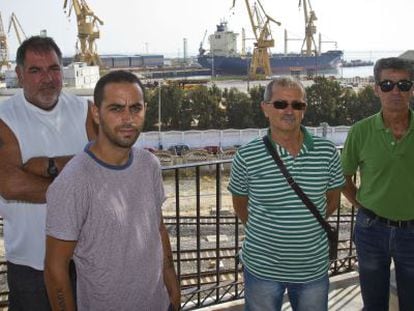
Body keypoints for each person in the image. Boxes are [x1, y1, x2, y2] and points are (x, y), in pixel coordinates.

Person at [44, 70, 181, 310]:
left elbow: (157, 228)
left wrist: (171, 282)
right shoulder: (74, 181)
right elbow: (55, 269)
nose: (127, 118)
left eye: (135, 108)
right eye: (116, 109)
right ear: (96, 113)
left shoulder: (149, 165)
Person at [228, 77, 345, 311]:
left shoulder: (327, 152)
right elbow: (241, 205)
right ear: (265, 108)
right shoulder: (247, 156)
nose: (289, 111)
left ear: (304, 110)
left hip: (312, 267)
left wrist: (303, 223)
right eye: (281, 104)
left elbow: (332, 199)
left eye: (297, 105)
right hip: (262, 267)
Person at [0, 36, 95, 310]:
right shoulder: (5, 119)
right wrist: (78, 174)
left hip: (86, 258)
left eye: (53, 68)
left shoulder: (85, 111)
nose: (47, 78)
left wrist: (46, 165)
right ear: (19, 75)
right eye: (35, 70)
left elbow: (103, 172)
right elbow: (11, 185)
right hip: (32, 265)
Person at [341, 57, 414, 311]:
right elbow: (343, 177)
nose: (395, 91)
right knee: (374, 304)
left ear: (412, 89)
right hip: (371, 230)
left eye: (403, 85)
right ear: (376, 89)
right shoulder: (360, 131)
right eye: (387, 85)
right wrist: (363, 206)